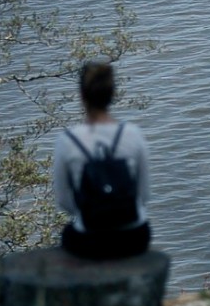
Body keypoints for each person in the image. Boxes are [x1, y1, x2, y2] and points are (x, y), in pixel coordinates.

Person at [53, 61, 151, 259]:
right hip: (134, 235)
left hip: (89, 238)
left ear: (82, 96)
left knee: (67, 237)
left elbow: (63, 201)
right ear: (112, 94)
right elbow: (144, 195)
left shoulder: (67, 140)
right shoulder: (133, 134)